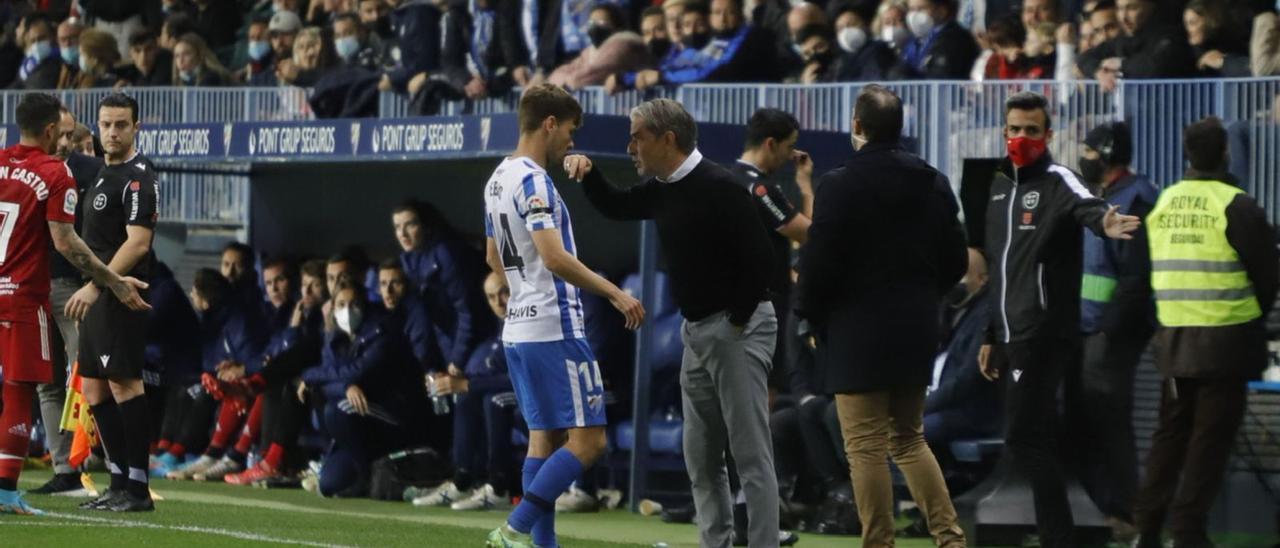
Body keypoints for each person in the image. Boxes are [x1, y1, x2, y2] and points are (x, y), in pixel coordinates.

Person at [580, 98, 780, 548]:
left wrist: (736, 322)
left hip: (736, 329)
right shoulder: (662, 186)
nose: (630, 146)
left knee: (750, 455)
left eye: (638, 137)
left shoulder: (721, 185)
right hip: (698, 331)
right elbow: (616, 205)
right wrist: (589, 174)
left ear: (667, 139)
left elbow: (763, 261)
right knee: (701, 457)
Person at [796, 85, 967, 547]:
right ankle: (950, 539)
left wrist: (808, 315)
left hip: (856, 332)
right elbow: (956, 259)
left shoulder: (839, 183)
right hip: (916, 326)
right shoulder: (933, 181)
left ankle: (879, 543)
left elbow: (819, 260)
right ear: (900, 128)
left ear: (857, 126)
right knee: (910, 439)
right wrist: (923, 294)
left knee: (865, 447)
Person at [976, 91, 1141, 548]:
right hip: (1011, 334)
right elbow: (998, 267)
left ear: (1048, 135)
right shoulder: (996, 185)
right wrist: (991, 333)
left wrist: (1103, 222)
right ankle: (1063, 532)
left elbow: (1088, 205)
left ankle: (1059, 536)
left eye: (1032, 130)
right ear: (1004, 131)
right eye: (1015, 129)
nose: (1022, 138)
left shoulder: (1058, 179)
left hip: (1043, 333)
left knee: (1023, 437)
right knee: (1037, 437)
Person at [482, 84, 644, 548]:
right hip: (555, 326)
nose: (571, 140)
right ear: (550, 124)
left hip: (518, 327)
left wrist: (525, 290)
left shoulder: (497, 179)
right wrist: (615, 292)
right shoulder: (534, 181)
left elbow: (494, 259)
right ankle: (516, 528)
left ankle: (542, 546)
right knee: (589, 442)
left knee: (543, 439)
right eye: (570, 130)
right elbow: (554, 258)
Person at [1133, 117, 1279, 548]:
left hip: (1175, 344)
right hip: (1225, 345)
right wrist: (1252, 315)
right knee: (1208, 441)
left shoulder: (1164, 203)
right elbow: (1269, 275)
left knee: (1170, 434)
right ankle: (1188, 530)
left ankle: (1146, 528)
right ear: (1226, 153)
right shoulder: (1237, 204)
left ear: (1187, 153)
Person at [0, 93, 148, 516]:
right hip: (24, 298)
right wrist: (111, 280)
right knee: (20, 390)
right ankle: (6, 490)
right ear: (50, 130)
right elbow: (67, 243)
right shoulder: (53, 172)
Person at [70, 93, 162, 513]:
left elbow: (138, 242)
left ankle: (139, 488)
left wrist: (96, 284)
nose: (112, 132)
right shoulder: (102, 173)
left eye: (121, 124)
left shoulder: (138, 175)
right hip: (100, 292)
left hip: (122, 290)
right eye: (106, 124)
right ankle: (119, 480)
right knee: (93, 385)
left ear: (136, 127)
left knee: (125, 382)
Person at [1072, 121, 1157, 543]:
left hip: (1112, 332)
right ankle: (1105, 510)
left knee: (1110, 420)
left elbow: (1135, 278)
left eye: (1088, 151)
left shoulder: (1136, 199)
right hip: (1089, 329)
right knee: (1089, 419)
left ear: (1105, 154)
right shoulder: (1101, 197)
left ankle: (1129, 513)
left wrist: (1107, 332)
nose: (1083, 158)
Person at [28, 106, 106, 498]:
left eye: (70, 135)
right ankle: (65, 469)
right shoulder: (26, 173)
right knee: (46, 379)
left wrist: (96, 280)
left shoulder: (92, 173)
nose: (64, 142)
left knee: (86, 375)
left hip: (76, 287)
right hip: (33, 288)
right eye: (58, 133)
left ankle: (104, 463)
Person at [299, 280, 429, 497]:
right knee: (329, 485)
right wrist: (345, 386)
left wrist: (311, 375)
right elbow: (333, 378)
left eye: (354, 304)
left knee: (337, 410)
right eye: (341, 304)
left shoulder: (381, 332)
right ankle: (358, 461)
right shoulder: (335, 337)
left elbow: (356, 372)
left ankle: (366, 477)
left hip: (393, 411)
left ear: (365, 305)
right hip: (362, 425)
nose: (347, 311)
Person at [730, 108, 812, 386]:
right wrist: (806, 187)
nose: (791, 156)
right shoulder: (761, 189)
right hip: (764, 306)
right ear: (770, 144)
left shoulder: (730, 179)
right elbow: (810, 234)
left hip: (736, 301)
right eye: (789, 147)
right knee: (765, 391)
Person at [429, 272, 518, 511]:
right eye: (491, 297)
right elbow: (492, 372)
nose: (499, 302)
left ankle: (499, 488)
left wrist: (469, 383)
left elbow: (522, 378)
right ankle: (462, 480)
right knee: (470, 395)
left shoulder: (529, 323)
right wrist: (461, 380)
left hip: (546, 392)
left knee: (494, 399)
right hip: (521, 393)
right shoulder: (504, 326)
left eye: (505, 293)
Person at [900, 0, 980, 79]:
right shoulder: (915, 41)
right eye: (911, 9)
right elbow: (898, 72)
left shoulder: (955, 39)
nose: (914, 15)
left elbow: (940, 76)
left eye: (921, 8)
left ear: (942, 11)